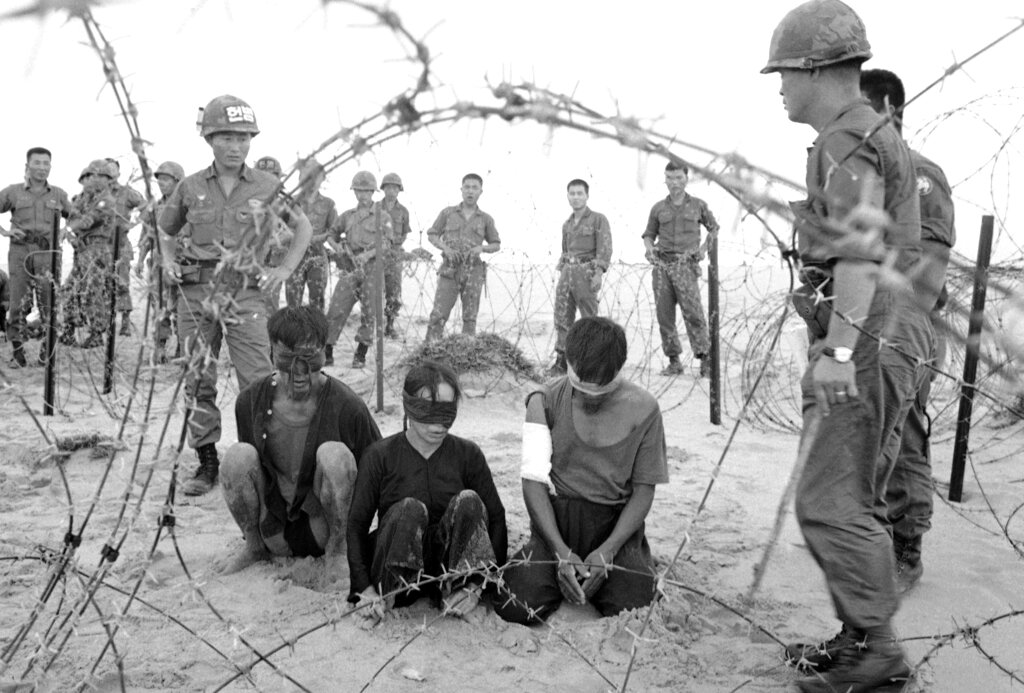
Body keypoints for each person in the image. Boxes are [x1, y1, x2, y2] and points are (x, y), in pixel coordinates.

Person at [761, 2, 932, 690]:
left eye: (782, 73)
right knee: (852, 493)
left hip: (869, 335)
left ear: (813, 69)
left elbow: (860, 248)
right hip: (891, 327)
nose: (777, 87)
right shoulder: (869, 131)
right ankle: (861, 636)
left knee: (826, 500)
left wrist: (836, 350)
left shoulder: (845, 137)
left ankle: (879, 652)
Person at [159, 94, 313, 497]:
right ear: (210, 139)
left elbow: (303, 229)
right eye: (227, 137)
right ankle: (207, 459)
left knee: (259, 380)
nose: (236, 146)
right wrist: (167, 260)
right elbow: (166, 230)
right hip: (195, 294)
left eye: (244, 138)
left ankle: (264, 458)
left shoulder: (268, 186)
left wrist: (283, 270)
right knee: (198, 378)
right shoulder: (190, 187)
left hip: (245, 295)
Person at [495, 317, 668, 624]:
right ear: (568, 361)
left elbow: (643, 491)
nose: (590, 396)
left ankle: (632, 558)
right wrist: (559, 550)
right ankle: (557, 566)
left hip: (616, 522)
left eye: (601, 387)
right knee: (517, 605)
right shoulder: (543, 401)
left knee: (633, 604)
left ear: (620, 367)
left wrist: (609, 550)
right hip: (556, 522)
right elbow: (533, 481)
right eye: (582, 385)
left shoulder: (645, 409)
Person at [861, 68, 956, 594]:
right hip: (858, 330)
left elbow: (927, 272)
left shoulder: (919, 177)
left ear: (888, 110)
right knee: (865, 442)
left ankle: (906, 546)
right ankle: (869, 536)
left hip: (901, 330)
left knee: (906, 440)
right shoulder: (856, 175)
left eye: (860, 110)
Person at [220, 306, 382, 581]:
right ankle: (254, 547)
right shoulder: (250, 401)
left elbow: (378, 467)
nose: (299, 370)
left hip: (323, 528)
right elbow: (250, 471)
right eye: (287, 357)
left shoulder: (347, 405)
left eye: (309, 357)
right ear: (271, 354)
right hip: (272, 528)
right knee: (237, 456)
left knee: (335, 455)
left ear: (323, 353)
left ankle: (339, 551)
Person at [348, 360, 507, 625]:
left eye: (446, 413)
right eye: (428, 412)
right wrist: (363, 588)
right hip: (395, 573)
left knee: (469, 501)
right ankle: (389, 595)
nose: (439, 425)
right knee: (410, 509)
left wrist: (480, 584)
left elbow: (497, 517)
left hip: (448, 574)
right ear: (408, 407)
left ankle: (460, 591)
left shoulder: (468, 455)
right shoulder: (380, 456)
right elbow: (356, 525)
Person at [642, 161, 718, 378]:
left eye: (678, 178)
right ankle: (674, 361)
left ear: (686, 179)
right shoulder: (658, 208)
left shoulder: (698, 206)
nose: (674, 183)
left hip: (686, 265)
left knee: (693, 313)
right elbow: (649, 234)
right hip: (662, 266)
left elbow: (714, 230)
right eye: (670, 178)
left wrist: (704, 249)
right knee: (664, 315)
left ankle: (705, 359)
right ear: (664, 179)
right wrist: (649, 249)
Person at [0, 146, 72, 367]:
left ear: (50, 167)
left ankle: (47, 350)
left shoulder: (58, 194)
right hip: (21, 251)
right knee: (17, 301)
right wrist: (5, 231)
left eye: (46, 164)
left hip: (48, 253)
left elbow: (76, 216)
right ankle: (17, 351)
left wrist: (65, 230)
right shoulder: (13, 192)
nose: (42, 168)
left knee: (48, 301)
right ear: (27, 166)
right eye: (37, 163)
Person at [323, 171, 394, 368]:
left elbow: (387, 243)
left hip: (372, 268)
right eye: (358, 191)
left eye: (366, 191)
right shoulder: (347, 216)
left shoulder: (383, 216)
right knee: (337, 307)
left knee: (369, 311)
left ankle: (360, 354)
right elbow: (331, 235)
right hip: (350, 267)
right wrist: (337, 248)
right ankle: (327, 350)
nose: (362, 195)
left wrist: (368, 255)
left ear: (373, 192)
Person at [424, 173, 501, 342]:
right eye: (467, 187)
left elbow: (496, 244)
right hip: (449, 270)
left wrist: (480, 248)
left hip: (473, 271)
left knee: (469, 318)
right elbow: (432, 234)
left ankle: (465, 354)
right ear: (461, 189)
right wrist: (446, 248)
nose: (470, 191)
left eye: (475, 188)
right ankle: (429, 350)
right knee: (438, 314)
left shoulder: (486, 219)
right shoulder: (448, 213)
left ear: (481, 191)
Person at [547, 179, 612, 376]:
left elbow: (605, 247)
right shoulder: (567, 224)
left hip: (586, 271)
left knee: (589, 319)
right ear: (568, 196)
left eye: (579, 193)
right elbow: (565, 249)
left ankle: (591, 361)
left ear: (587, 195)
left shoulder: (598, 219)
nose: (576, 197)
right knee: (562, 315)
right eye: (572, 194)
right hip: (568, 270)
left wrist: (599, 273)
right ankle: (562, 359)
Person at [59, 160, 119, 349]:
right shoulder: (84, 198)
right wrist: (69, 234)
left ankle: (96, 332)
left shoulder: (106, 200)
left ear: (106, 179)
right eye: (92, 176)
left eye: (98, 176)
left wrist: (68, 228)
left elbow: (88, 221)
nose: (94, 180)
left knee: (93, 291)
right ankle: (68, 329)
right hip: (81, 250)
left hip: (97, 250)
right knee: (70, 289)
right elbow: (72, 216)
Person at [136, 160, 186, 363]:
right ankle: (160, 348)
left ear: (178, 181)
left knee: (182, 307)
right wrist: (139, 260)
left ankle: (183, 348)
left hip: (182, 263)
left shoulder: (186, 204)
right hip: (158, 264)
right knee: (160, 307)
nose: (162, 183)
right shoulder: (154, 208)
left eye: (167, 179)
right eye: (160, 180)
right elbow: (146, 236)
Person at [285, 159, 337, 314]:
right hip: (294, 256)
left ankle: (316, 334)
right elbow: (281, 228)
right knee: (292, 299)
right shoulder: (290, 202)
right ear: (300, 178)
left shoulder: (329, 204)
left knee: (317, 298)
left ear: (322, 179)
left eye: (316, 177)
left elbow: (332, 231)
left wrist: (317, 239)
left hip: (317, 257)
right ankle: (293, 335)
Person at [107, 158, 147, 337]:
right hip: (100, 246)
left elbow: (146, 207)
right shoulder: (95, 194)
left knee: (122, 284)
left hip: (121, 244)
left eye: (112, 169)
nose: (109, 172)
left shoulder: (126, 193)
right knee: (102, 285)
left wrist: (133, 224)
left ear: (118, 172)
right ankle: (105, 322)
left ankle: (125, 323)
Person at [254, 156, 289, 316]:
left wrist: (268, 242)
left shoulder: (286, 203)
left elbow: (293, 233)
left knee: (268, 306)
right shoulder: (246, 199)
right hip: (248, 264)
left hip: (272, 264)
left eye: (272, 176)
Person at [379, 172, 412, 339]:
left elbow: (405, 233)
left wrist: (395, 243)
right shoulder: (375, 207)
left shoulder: (403, 211)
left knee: (393, 291)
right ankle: (374, 324)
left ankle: (390, 325)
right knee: (374, 290)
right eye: (388, 187)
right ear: (383, 188)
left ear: (399, 190)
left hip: (394, 255)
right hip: (376, 254)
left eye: (395, 187)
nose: (391, 190)